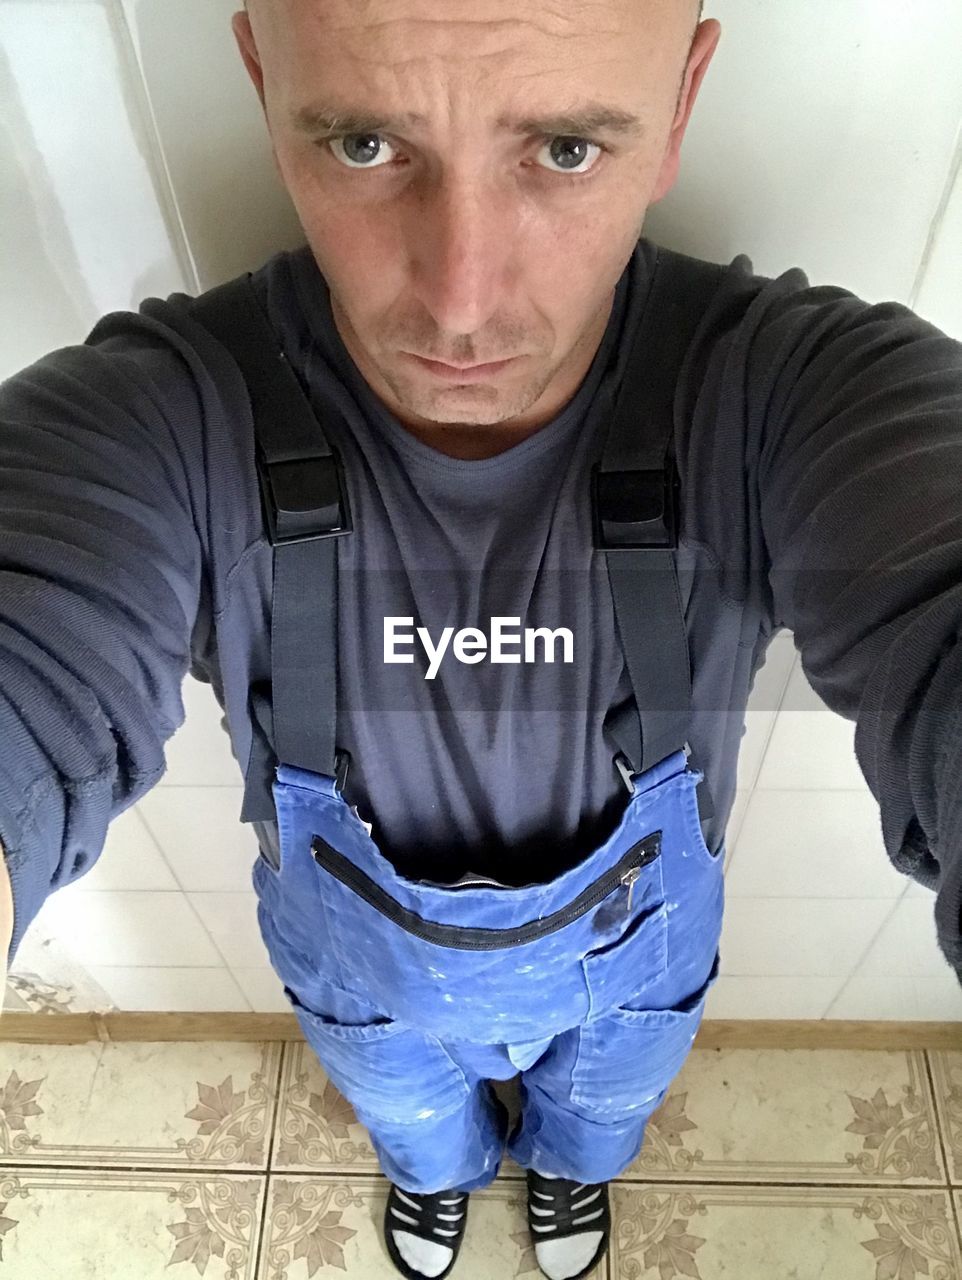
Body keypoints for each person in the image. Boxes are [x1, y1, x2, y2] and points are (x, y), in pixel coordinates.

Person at [1, 1, 960, 1278]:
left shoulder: (779, 395)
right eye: (361, 145)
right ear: (257, 75)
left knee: (599, 1117)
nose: (459, 304)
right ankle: (439, 1177)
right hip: (364, 987)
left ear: (678, 105)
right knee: (406, 1119)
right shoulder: (163, 418)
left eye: (564, 148)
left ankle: (566, 1173)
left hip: (633, 974)